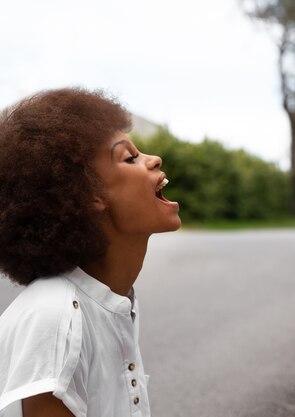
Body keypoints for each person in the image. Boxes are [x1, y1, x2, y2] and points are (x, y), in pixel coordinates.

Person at [0, 88, 181, 417]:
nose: (154, 159)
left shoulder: (110, 300)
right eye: (130, 158)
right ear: (89, 195)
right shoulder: (55, 317)